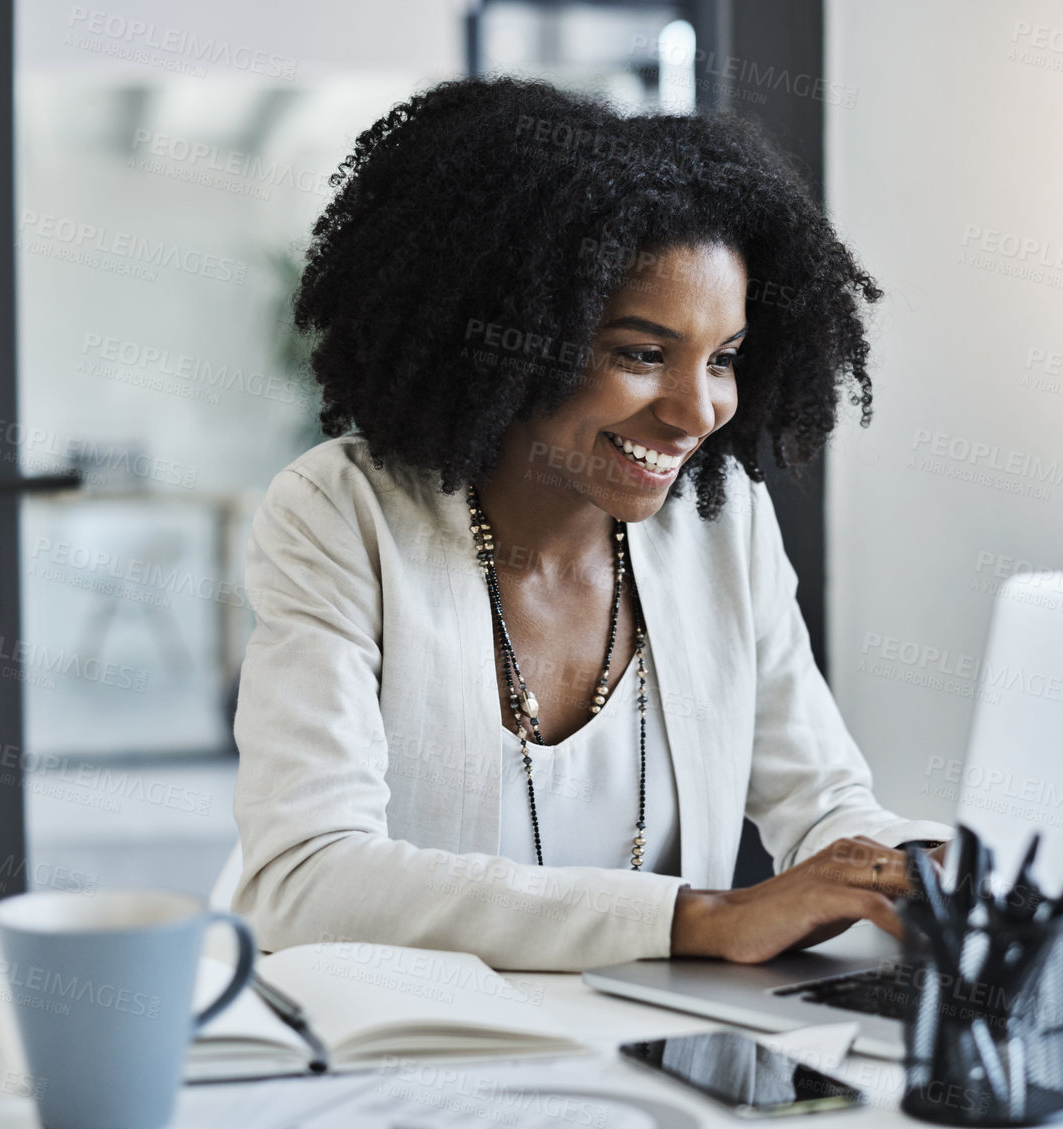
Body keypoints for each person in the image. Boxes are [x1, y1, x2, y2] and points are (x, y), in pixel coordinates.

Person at [230, 76, 952, 972]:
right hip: (411, 1061)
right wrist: (701, 918)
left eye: (723, 358)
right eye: (642, 354)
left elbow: (824, 801)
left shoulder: (721, 531)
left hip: (659, 1060)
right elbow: (307, 877)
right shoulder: (342, 516)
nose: (697, 412)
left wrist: (918, 869)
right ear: (509, 331)